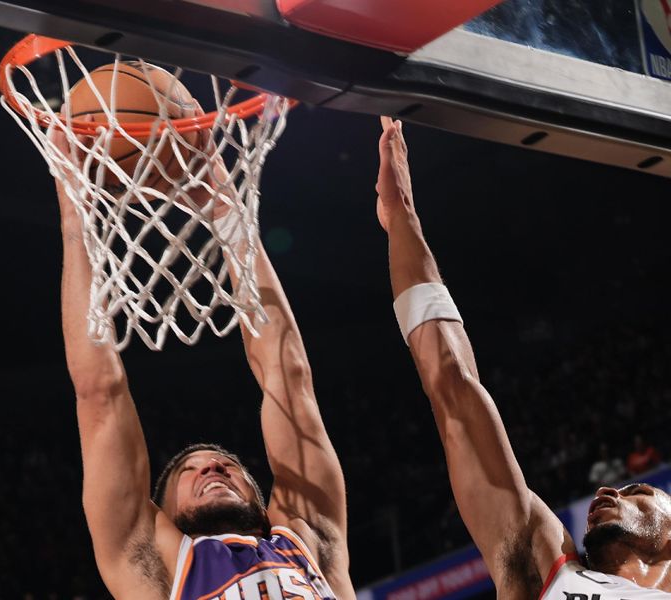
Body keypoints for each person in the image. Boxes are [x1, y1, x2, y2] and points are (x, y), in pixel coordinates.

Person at [51, 123, 353, 600]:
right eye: (192, 472)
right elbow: (99, 396)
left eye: (226, 467)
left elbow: (288, 377)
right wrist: (76, 219)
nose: (213, 469)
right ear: (163, 513)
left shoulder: (310, 540)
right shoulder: (154, 566)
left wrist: (229, 215)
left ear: (259, 498)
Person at [374, 116, 671, 598]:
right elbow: (455, 388)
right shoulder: (546, 570)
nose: (607, 490)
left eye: (639, 491)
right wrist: (401, 215)